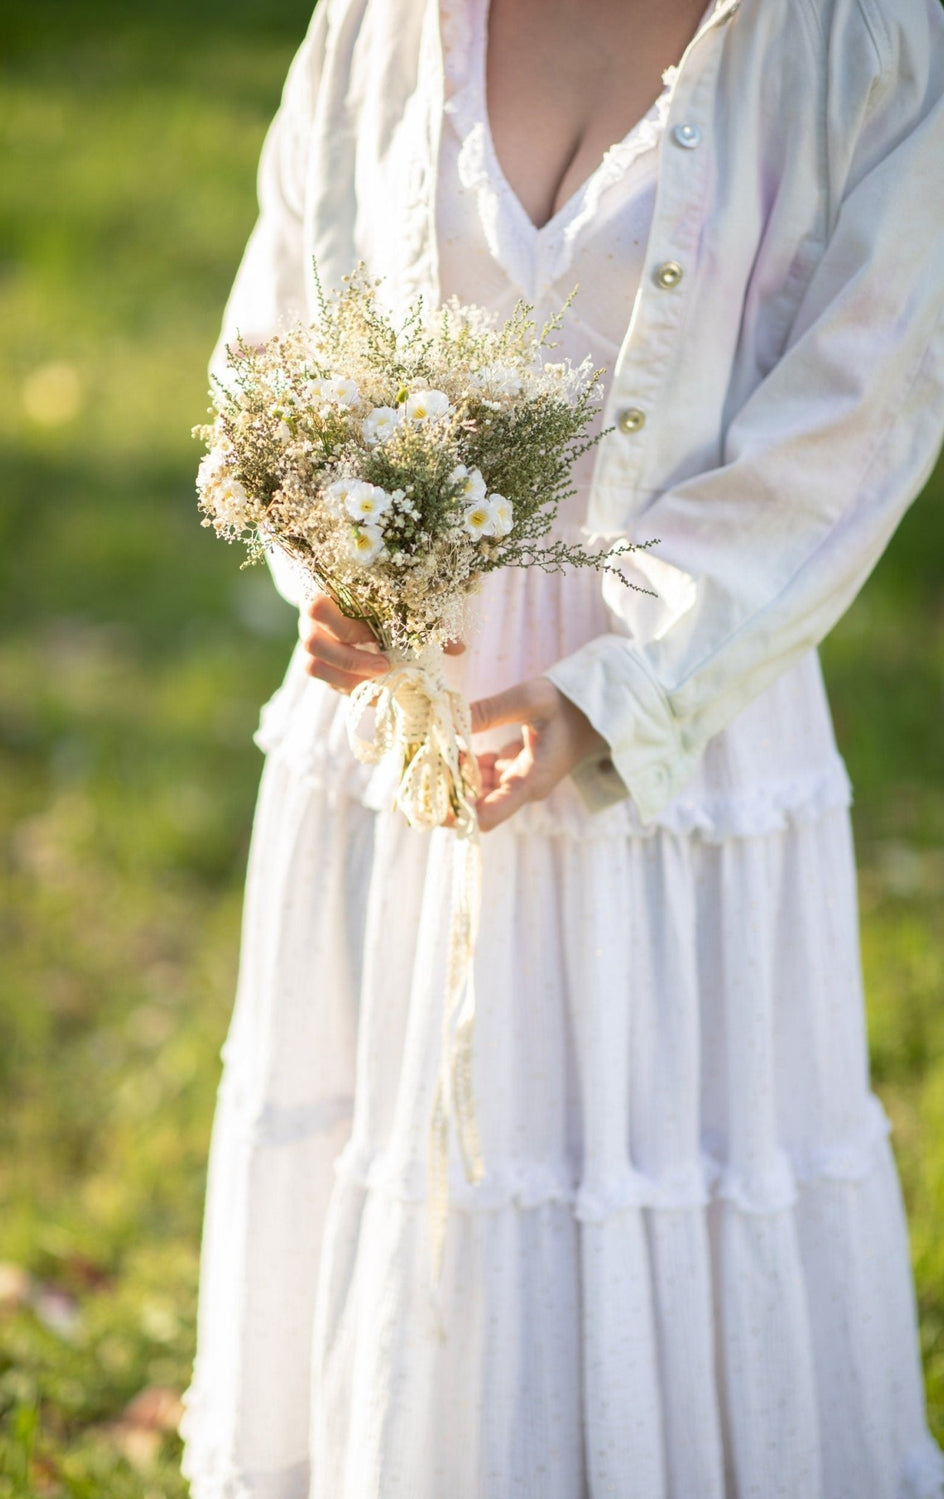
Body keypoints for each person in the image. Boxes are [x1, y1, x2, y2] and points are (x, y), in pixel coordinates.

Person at [178, 0, 944, 1493]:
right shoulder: (382, 22)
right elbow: (272, 335)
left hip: (687, 734)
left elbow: (865, 406)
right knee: (413, 1179)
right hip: (397, 736)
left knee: (648, 1189)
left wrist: (616, 690)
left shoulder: (866, 35)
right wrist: (331, 568)